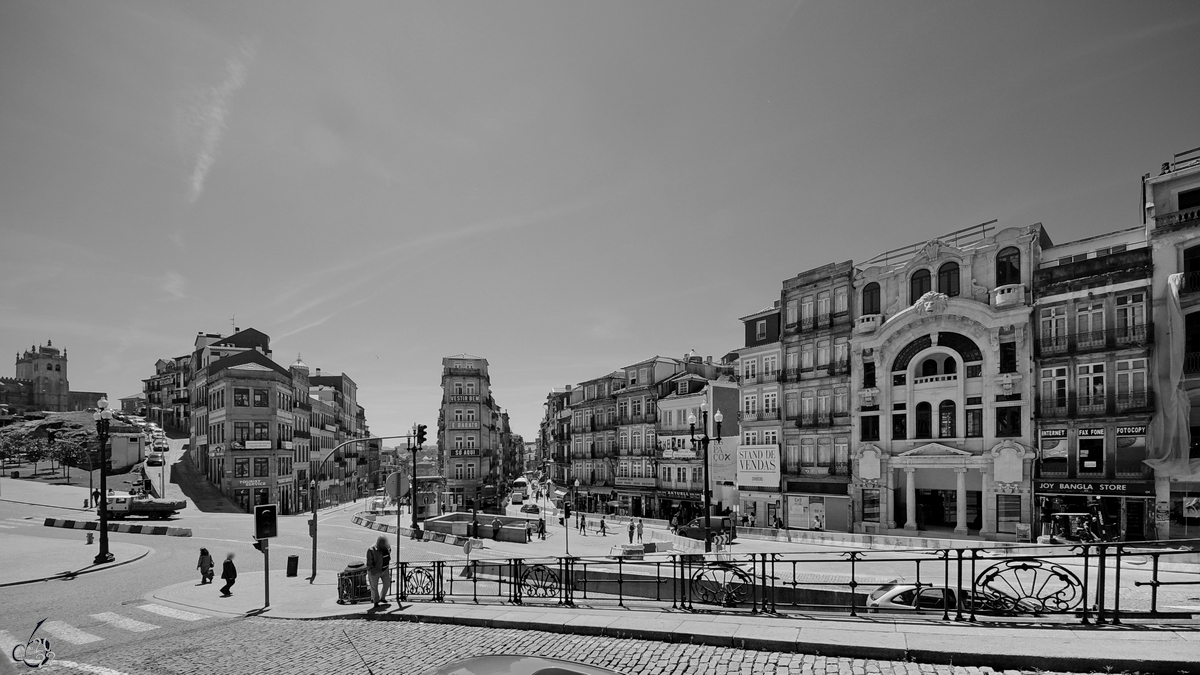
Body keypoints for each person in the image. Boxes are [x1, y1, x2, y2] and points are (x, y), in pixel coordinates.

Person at [366, 536, 391, 607]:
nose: (385, 544)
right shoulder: (371, 549)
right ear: (379, 542)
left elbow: (389, 551)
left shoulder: (387, 546)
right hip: (375, 571)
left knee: (387, 583)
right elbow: (369, 563)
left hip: (385, 569)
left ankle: (382, 598)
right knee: (374, 587)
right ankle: (375, 601)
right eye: (383, 543)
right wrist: (373, 570)